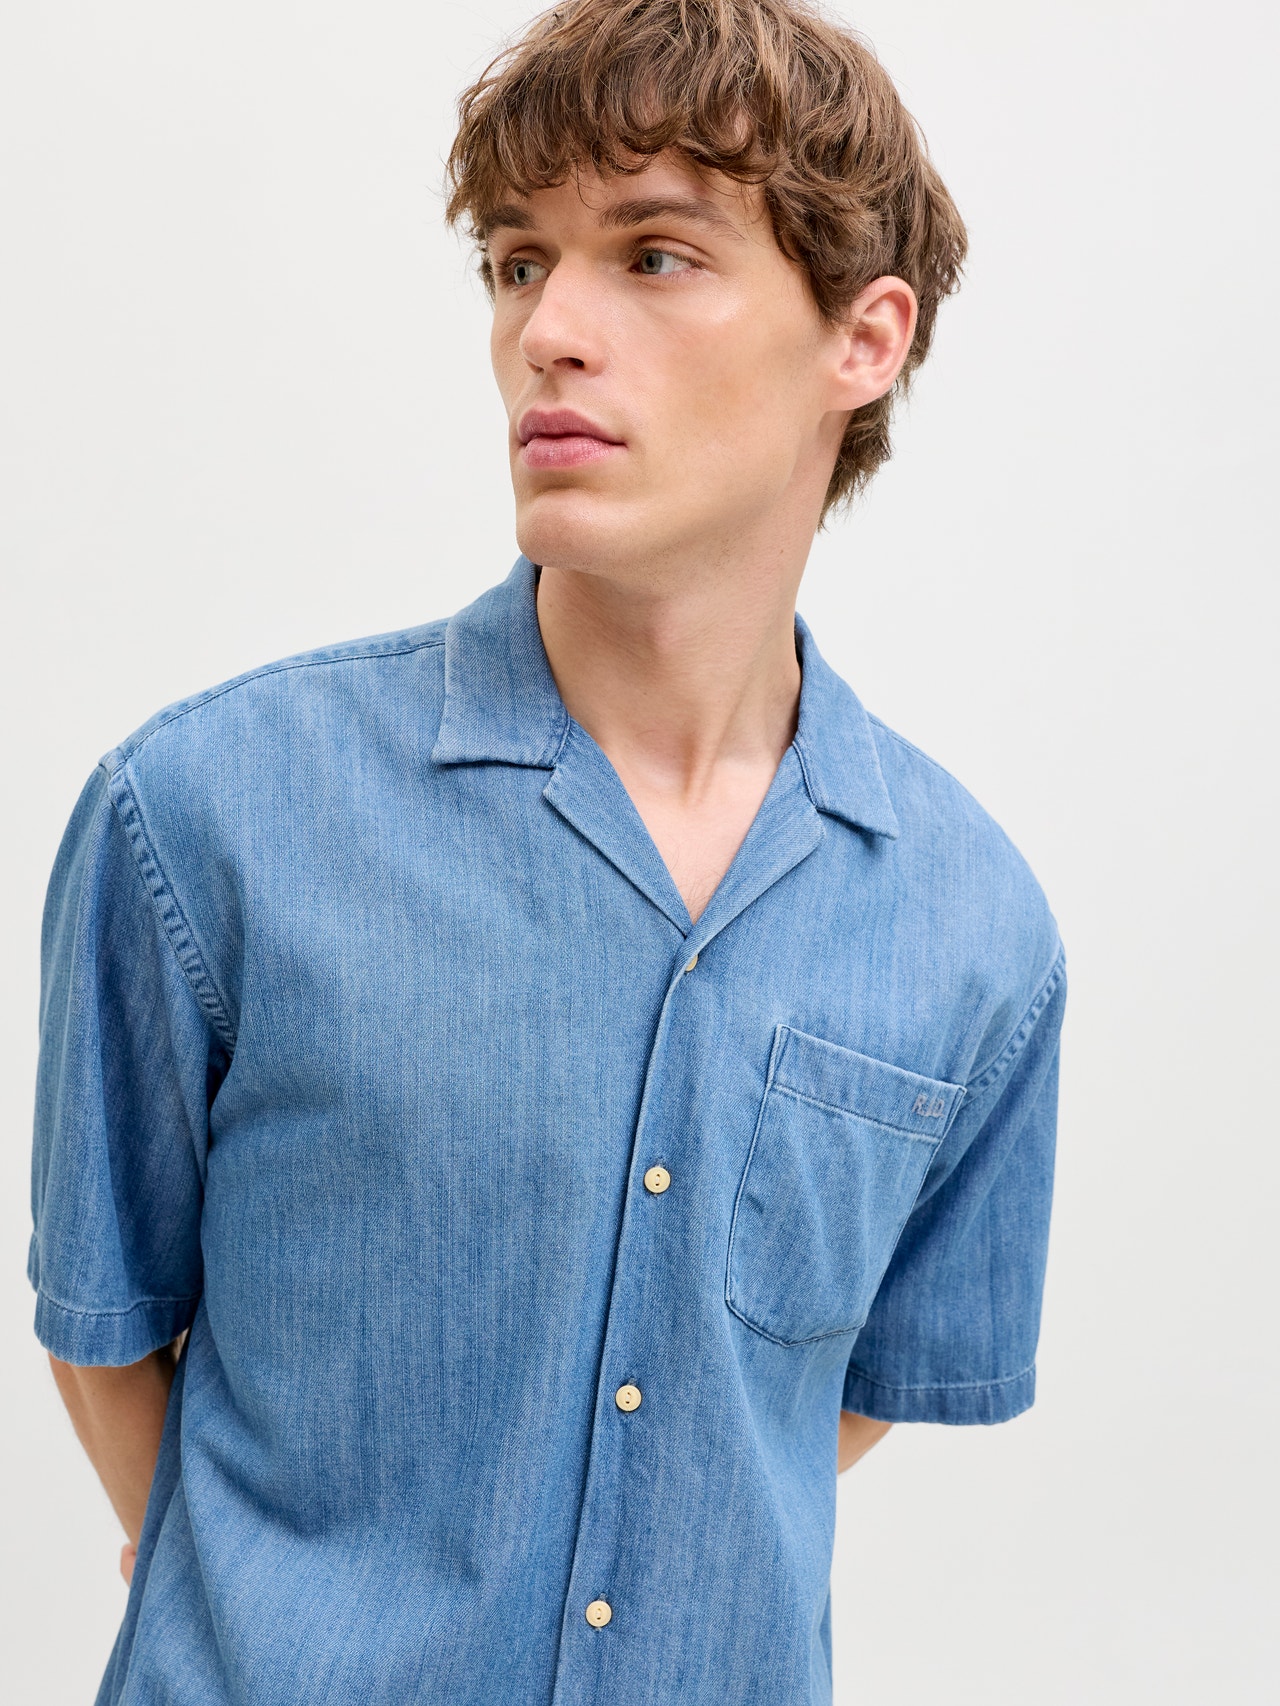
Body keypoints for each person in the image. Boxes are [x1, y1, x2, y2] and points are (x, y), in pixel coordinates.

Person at [28, 2, 1066, 1701]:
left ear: (863, 338)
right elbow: (102, 1317)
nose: (549, 334)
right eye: (519, 264)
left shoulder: (974, 925)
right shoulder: (206, 814)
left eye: (654, 256)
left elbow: (835, 1391)